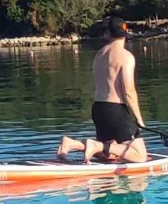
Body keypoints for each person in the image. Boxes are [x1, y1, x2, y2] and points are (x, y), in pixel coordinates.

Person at [57, 16, 149, 163]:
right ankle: (93, 145)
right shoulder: (126, 57)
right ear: (125, 34)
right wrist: (139, 119)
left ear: (108, 34)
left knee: (109, 155)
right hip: (115, 110)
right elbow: (129, 91)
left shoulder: (99, 55)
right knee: (140, 155)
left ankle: (72, 144)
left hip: (98, 108)